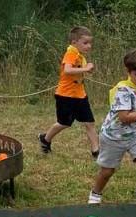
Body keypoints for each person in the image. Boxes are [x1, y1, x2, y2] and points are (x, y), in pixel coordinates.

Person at [88, 48, 136, 206]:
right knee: (107, 171)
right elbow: (124, 118)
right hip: (113, 136)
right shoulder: (122, 90)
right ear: (128, 71)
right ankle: (96, 194)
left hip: (135, 135)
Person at [38, 26, 99, 157]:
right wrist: (86, 69)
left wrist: (89, 68)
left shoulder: (80, 56)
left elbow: (79, 71)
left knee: (89, 122)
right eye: (85, 43)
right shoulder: (71, 53)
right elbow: (68, 70)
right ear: (74, 43)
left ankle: (96, 152)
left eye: (90, 43)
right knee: (64, 123)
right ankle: (45, 139)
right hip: (65, 95)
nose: (89, 46)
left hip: (80, 95)